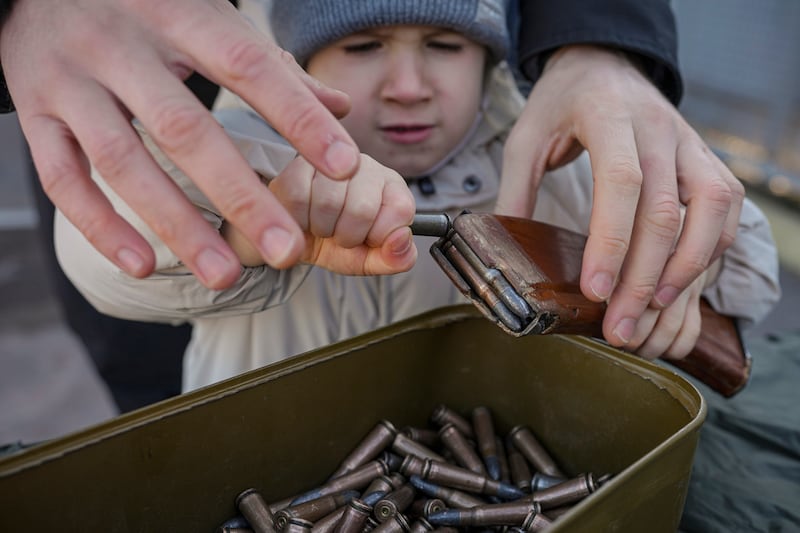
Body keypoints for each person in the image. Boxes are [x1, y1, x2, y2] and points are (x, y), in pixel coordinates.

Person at [54, 0, 780, 392]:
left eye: (444, 44)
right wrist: (248, 231)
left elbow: (748, 268)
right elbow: (105, 254)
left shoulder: (559, 156)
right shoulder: (234, 154)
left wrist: (681, 264)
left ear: (490, 56)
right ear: (296, 66)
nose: (408, 85)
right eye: (364, 46)